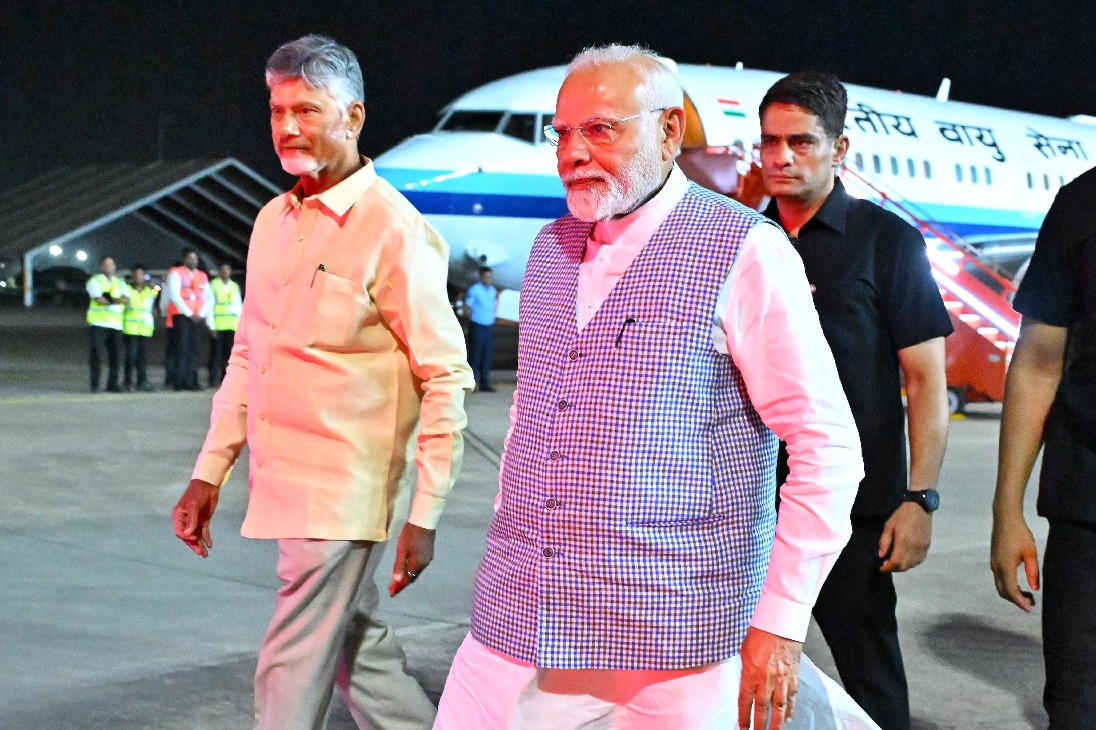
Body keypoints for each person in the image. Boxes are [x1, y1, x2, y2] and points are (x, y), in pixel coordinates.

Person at [435, 45, 869, 730]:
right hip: (519, 613)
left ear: (669, 130)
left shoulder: (746, 251)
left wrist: (781, 621)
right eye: (561, 132)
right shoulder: (550, 250)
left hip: (674, 640)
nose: (572, 152)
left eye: (600, 129)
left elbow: (827, 448)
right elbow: (531, 418)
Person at [171, 35, 473, 730]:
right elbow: (249, 353)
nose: (287, 127)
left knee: (289, 664)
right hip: (284, 482)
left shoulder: (395, 232)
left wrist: (425, 512)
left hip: (344, 493)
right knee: (355, 653)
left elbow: (445, 376)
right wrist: (209, 471)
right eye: (277, 111)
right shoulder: (272, 223)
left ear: (353, 117)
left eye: (306, 110)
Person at [759, 72, 952, 730]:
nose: (782, 157)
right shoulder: (743, 241)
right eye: (770, 142)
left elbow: (926, 380)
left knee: (871, 682)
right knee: (741, 677)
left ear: (839, 150)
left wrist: (919, 498)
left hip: (853, 512)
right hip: (750, 510)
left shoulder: (887, 241)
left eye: (801, 142)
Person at [991, 165, 1096, 727]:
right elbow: (1036, 361)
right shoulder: (1082, 203)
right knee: (1078, 705)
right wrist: (1007, 509)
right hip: (1086, 508)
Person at [163, 249, 209, 390]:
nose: (193, 261)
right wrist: (189, 313)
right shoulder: (176, 273)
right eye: (189, 258)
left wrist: (201, 313)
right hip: (182, 316)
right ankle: (179, 382)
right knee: (181, 349)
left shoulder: (202, 276)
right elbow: (174, 295)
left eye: (195, 258)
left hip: (197, 317)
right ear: (184, 260)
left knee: (194, 350)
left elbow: (208, 297)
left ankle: (192, 381)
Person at [85, 255, 128, 393]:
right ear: (101, 267)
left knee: (115, 356)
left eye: (111, 264)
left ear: (115, 267)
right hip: (99, 323)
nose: (109, 267)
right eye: (106, 264)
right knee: (97, 354)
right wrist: (115, 300)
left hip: (116, 325)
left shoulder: (120, 282)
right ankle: (95, 385)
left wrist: (109, 300)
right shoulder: (94, 281)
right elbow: (98, 299)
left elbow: (126, 298)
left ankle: (113, 384)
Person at [206, 263, 242, 388]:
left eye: (227, 270)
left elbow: (238, 306)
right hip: (218, 325)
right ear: (219, 272)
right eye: (223, 270)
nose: (225, 272)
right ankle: (213, 378)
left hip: (232, 325)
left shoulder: (234, 286)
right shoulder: (213, 285)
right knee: (216, 354)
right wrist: (211, 326)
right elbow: (209, 307)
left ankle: (225, 378)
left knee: (229, 354)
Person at [122, 264, 157, 392]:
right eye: (136, 274)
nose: (138, 277)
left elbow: (153, 303)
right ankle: (127, 382)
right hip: (130, 328)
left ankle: (142, 382)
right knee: (130, 356)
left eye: (141, 274)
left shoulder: (149, 292)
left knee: (142, 358)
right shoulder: (127, 290)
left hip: (144, 329)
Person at [464, 266, 498, 392]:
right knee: (475, 356)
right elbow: (467, 307)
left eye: (491, 277)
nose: (489, 279)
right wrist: (469, 323)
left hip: (489, 326)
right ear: (481, 277)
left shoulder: (493, 291)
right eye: (487, 277)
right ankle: (472, 383)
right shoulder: (474, 290)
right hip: (477, 326)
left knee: (486, 355)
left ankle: (484, 383)